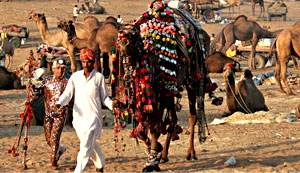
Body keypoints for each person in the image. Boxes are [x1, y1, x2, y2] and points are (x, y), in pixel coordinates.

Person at [56, 48, 113, 173]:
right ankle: (100, 164)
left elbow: (105, 98)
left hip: (93, 116)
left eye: (89, 62)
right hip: (79, 118)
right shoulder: (75, 77)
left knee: (85, 145)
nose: (86, 64)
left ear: (93, 62)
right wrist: (60, 103)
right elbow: (67, 94)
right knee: (89, 143)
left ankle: (78, 170)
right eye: (84, 62)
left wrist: (114, 106)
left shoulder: (99, 77)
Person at [32, 59, 68, 170]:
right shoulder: (47, 80)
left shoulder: (67, 83)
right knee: (48, 139)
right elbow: (39, 90)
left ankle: (53, 162)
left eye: (62, 68)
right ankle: (60, 150)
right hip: (48, 114)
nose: (60, 70)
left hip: (60, 114)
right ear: (53, 69)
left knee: (54, 138)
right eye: (58, 68)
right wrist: (32, 88)